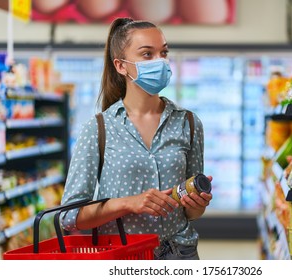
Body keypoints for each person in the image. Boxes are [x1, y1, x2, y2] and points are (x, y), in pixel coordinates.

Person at [60, 17, 213, 260]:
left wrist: (197, 203)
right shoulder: (99, 128)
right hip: (123, 255)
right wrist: (128, 203)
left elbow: (192, 213)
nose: (160, 62)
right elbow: (69, 216)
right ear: (121, 66)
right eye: (147, 54)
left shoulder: (189, 123)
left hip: (180, 254)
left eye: (164, 53)